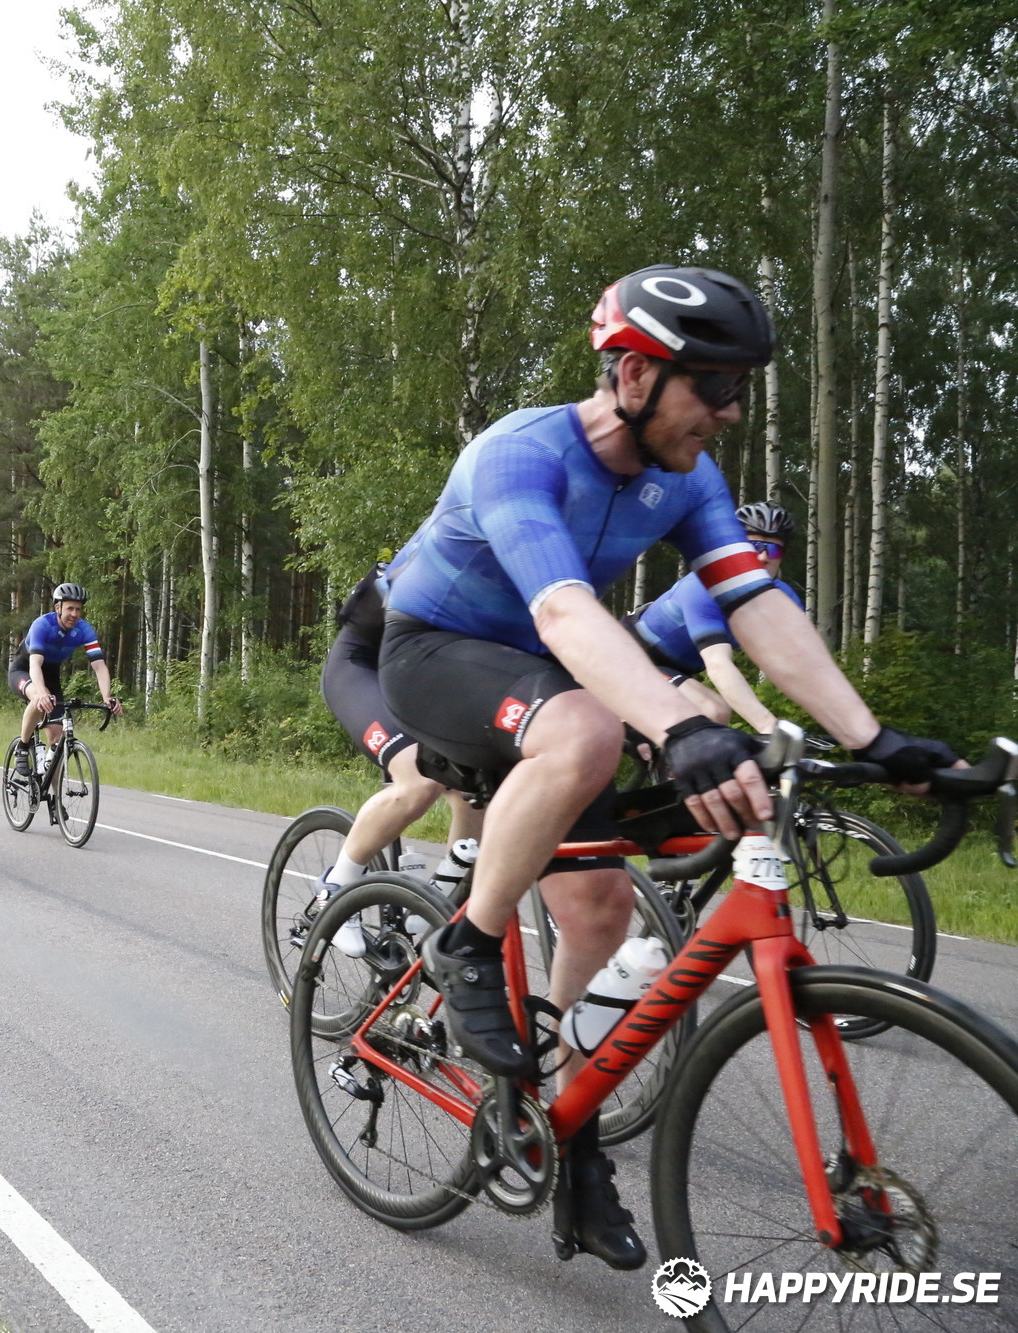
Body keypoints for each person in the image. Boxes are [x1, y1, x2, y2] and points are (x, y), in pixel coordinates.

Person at [376, 263, 960, 1271]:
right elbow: (564, 610)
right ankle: (467, 943)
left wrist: (872, 738)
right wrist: (675, 725)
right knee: (592, 731)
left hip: (546, 675)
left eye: (741, 388)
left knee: (602, 909)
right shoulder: (521, 452)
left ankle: (566, 1130)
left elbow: (755, 605)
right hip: (435, 654)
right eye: (715, 385)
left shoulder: (688, 477)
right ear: (635, 374)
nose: (730, 411)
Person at [315, 561, 483, 897]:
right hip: (363, 670)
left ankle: (443, 904)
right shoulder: (449, 552)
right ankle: (336, 888)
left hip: (426, 679)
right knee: (420, 782)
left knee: (479, 788)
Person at [625, 502, 803, 734]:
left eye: (774, 549)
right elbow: (718, 665)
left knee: (706, 733)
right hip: (631, 655)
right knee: (713, 710)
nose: (762, 556)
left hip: (677, 669)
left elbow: (805, 663)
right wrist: (768, 726)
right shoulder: (702, 587)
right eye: (753, 545)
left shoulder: (782, 598)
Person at [9, 583, 122, 780]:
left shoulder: (84, 630)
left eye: (78, 609)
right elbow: (35, 664)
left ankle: (53, 794)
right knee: (38, 697)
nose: (74, 614)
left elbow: (99, 666)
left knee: (57, 739)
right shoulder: (43, 625)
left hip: (51, 675)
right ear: (58, 608)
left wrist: (107, 697)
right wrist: (42, 693)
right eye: (70, 608)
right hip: (25, 670)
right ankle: (23, 746)